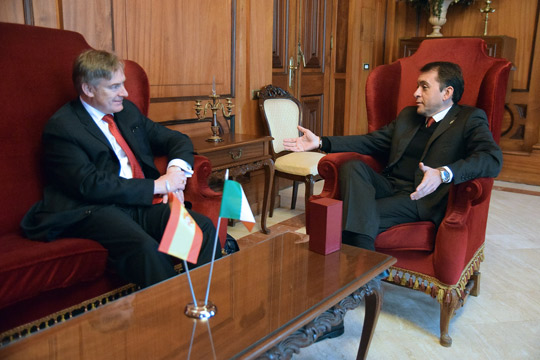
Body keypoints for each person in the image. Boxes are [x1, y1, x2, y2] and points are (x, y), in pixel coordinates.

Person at [21, 49, 221, 287]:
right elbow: (90, 184)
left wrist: (175, 172)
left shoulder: (126, 112)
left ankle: (205, 303)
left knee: (202, 229)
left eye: (123, 84)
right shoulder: (63, 128)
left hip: (138, 203)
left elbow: (175, 139)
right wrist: (156, 185)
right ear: (88, 89)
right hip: (95, 208)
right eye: (114, 87)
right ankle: (176, 317)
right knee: (146, 249)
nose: (124, 93)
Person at [283, 61, 503, 251]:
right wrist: (321, 142)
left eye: (424, 87)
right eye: (417, 86)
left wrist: (443, 173)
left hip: (421, 197)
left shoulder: (469, 118)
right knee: (351, 166)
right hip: (390, 185)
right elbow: (371, 141)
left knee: (354, 215)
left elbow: (492, 159)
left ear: (447, 93)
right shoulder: (409, 115)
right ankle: (368, 274)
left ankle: (358, 276)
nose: (416, 93)